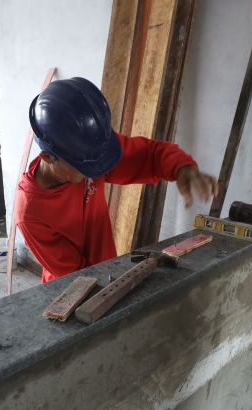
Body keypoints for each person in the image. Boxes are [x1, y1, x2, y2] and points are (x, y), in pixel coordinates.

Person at [14, 77, 218, 282]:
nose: (96, 172)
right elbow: (77, 277)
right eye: (87, 168)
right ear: (48, 158)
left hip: (108, 273)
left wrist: (182, 168)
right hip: (72, 291)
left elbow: (150, 155)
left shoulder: (90, 154)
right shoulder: (31, 213)